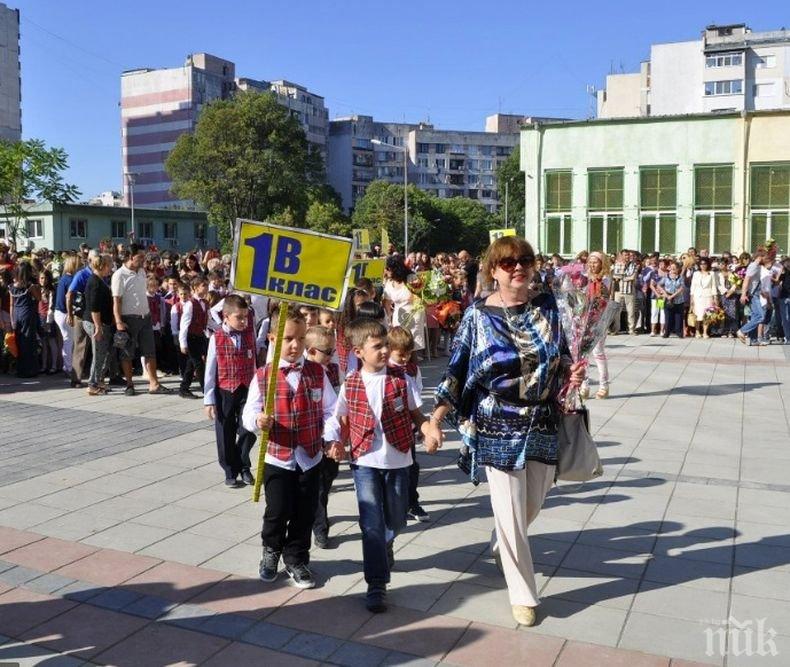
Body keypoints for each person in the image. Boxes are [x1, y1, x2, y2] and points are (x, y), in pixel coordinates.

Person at [428, 235, 585, 627]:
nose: (518, 268)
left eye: (525, 260)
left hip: (543, 419)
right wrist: (435, 417)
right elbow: (458, 369)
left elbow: (562, 355)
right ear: (493, 270)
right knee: (512, 510)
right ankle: (523, 593)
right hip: (497, 421)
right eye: (508, 262)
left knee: (531, 502)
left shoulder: (549, 306)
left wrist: (572, 369)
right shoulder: (478, 316)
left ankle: (503, 540)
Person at [331, 318, 437, 613]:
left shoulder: (401, 378)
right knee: (370, 523)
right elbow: (340, 417)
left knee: (397, 518)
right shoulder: (351, 382)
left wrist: (428, 430)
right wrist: (336, 441)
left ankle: (387, 542)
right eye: (377, 346)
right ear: (358, 352)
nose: (384, 350)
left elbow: (417, 415)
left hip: (399, 458)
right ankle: (376, 584)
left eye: (385, 345)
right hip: (364, 460)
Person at [242, 307, 339, 590]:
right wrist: (258, 421)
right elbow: (250, 411)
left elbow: (332, 409)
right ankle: (271, 549)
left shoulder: (317, 373)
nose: (295, 345)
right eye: (287, 339)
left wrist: (330, 435)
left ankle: (297, 557)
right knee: (278, 509)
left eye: (299, 338)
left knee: (305, 511)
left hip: (309, 457)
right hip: (277, 457)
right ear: (273, 338)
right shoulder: (263, 376)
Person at [203, 294, 259, 487]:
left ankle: (243, 464)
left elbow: (254, 363)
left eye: (246, 317)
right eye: (239, 317)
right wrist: (209, 399)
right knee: (225, 430)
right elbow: (210, 371)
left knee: (248, 427)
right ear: (226, 316)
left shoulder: (250, 335)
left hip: (247, 387)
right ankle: (230, 469)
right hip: (224, 389)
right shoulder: (216, 338)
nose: (244, 321)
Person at [111, 245, 171, 396]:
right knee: (127, 353)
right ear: (131, 256)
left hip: (145, 317)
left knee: (150, 351)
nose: (144, 260)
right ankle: (130, 384)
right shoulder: (119, 275)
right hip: (128, 318)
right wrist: (118, 321)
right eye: (141, 257)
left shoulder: (142, 272)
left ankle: (154, 383)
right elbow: (116, 300)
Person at [387, 326, 429, 522]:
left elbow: (417, 396)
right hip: (390, 428)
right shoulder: (384, 369)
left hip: (408, 425)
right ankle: (392, 503)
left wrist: (421, 426)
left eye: (408, 354)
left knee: (412, 467)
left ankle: (412, 502)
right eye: (400, 354)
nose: (405, 358)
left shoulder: (413, 369)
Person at [305, 325, 341, 549]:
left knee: (328, 479)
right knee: (317, 486)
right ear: (310, 351)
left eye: (332, 351)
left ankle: (317, 512)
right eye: (326, 352)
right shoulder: (305, 372)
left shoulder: (333, 370)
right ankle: (320, 527)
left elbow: (337, 403)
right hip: (310, 437)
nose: (330, 356)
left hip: (331, 434)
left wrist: (336, 437)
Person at [66, 248, 100, 388]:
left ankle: (98, 377)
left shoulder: (99, 274)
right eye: (97, 259)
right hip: (81, 315)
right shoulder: (82, 274)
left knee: (97, 346)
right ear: (90, 260)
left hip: (95, 314)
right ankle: (76, 379)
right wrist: (69, 314)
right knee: (80, 345)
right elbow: (69, 294)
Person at [580, 251, 611, 399]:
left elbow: (602, 298)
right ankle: (584, 385)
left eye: (596, 262)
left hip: (599, 319)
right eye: (590, 262)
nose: (592, 265)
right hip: (584, 319)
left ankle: (604, 385)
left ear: (602, 263)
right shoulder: (584, 277)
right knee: (582, 354)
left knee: (598, 352)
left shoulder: (605, 279)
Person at [82, 254, 114, 396]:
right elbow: (94, 306)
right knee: (98, 354)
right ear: (103, 266)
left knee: (103, 352)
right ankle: (92, 384)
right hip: (95, 322)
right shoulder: (95, 282)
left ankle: (99, 380)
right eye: (110, 265)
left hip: (100, 322)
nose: (111, 268)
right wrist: (98, 326)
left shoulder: (99, 280)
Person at [383, 256, 426, 358]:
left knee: (411, 346)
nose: (386, 271)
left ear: (395, 269)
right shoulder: (389, 283)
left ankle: (414, 371)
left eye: (388, 268)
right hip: (398, 316)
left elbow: (421, 296)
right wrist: (389, 319)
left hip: (413, 315)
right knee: (400, 344)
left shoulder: (411, 278)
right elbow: (387, 302)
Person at [9, 262, 41, 378]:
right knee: (29, 342)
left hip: (17, 314)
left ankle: (21, 369)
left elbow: (11, 305)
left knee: (19, 342)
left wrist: (12, 320)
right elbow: (39, 298)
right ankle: (30, 370)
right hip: (27, 313)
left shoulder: (12, 286)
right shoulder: (30, 286)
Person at [54, 255, 80, 377]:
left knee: (67, 340)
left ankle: (68, 366)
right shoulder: (70, 279)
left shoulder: (64, 278)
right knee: (69, 341)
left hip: (60, 312)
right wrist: (70, 314)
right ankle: (69, 368)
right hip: (65, 312)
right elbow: (68, 298)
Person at [737, 248, 769, 345]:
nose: (766, 260)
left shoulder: (758, 266)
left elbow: (756, 282)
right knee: (760, 316)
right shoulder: (753, 266)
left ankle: (753, 339)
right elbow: (746, 280)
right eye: (765, 257)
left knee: (755, 316)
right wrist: (743, 294)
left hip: (756, 293)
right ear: (760, 257)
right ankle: (742, 331)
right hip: (752, 295)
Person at [689, 257, 719, 338]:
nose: (703, 265)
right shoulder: (696, 273)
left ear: (707, 264)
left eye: (704, 264)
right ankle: (697, 331)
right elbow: (693, 286)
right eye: (701, 264)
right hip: (697, 296)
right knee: (697, 315)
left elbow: (713, 286)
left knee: (707, 315)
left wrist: (715, 298)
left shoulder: (711, 273)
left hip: (708, 296)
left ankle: (705, 332)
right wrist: (691, 299)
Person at [611, 249, 637, 335]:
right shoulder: (617, 265)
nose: (627, 257)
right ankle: (616, 329)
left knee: (631, 311)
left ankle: (631, 329)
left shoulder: (633, 265)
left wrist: (621, 277)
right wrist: (625, 277)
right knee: (617, 311)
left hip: (629, 290)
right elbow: (614, 276)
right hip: (618, 291)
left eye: (628, 255)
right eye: (625, 255)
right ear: (621, 256)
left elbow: (633, 277)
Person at [659, 261, 686, 338]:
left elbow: (681, 288)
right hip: (667, 300)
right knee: (668, 317)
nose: (673, 269)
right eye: (672, 267)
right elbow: (659, 285)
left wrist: (673, 295)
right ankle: (666, 332)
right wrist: (665, 294)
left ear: (678, 269)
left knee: (679, 318)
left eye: (675, 268)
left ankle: (679, 332)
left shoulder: (680, 278)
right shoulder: (666, 277)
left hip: (678, 300)